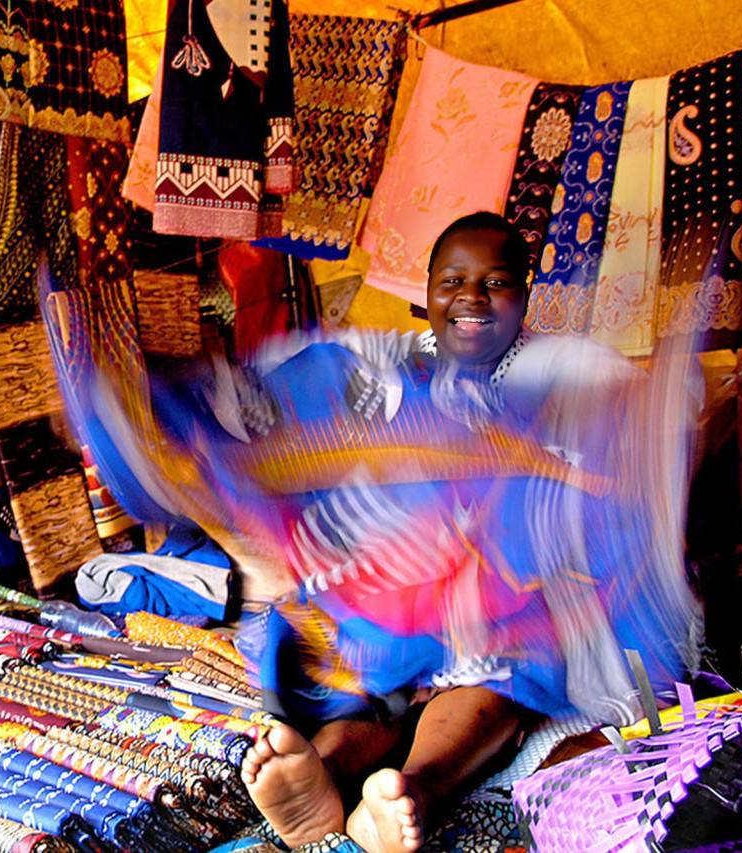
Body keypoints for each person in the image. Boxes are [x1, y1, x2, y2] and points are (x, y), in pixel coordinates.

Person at [233, 211, 699, 853]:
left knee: (496, 673)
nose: (470, 298)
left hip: (511, 598)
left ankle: (410, 791)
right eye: (452, 280)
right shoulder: (388, 373)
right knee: (368, 661)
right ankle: (327, 775)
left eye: (495, 282)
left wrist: (513, 487)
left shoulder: (567, 372)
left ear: (525, 295)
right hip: (406, 601)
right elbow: (294, 449)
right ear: (425, 293)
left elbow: (616, 485)